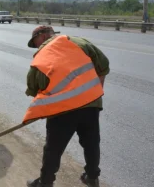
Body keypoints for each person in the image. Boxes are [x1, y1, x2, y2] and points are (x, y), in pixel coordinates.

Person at [24, 25, 110, 187]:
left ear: (41, 37)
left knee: (53, 148)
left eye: (35, 42)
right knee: (91, 142)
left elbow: (34, 86)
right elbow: (103, 65)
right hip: (90, 104)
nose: (36, 47)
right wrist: (95, 93)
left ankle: (45, 182)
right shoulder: (79, 42)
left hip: (62, 110)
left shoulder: (42, 55)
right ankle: (92, 178)